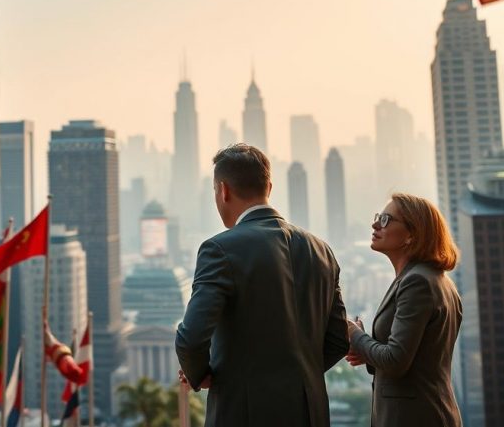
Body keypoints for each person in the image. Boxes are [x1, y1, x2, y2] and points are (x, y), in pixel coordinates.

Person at [175, 143, 350, 427]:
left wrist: (204, 374)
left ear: (223, 191)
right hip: (310, 412)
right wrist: (298, 380)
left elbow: (191, 338)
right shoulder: (322, 250)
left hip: (244, 413)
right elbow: (338, 340)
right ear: (269, 187)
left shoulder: (219, 249)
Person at [346, 193, 462, 426]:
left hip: (416, 417)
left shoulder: (417, 282)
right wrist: (367, 351)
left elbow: (396, 361)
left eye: (386, 220)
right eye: (378, 217)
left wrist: (354, 335)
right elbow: (417, 359)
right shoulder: (434, 279)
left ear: (412, 235)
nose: (375, 224)